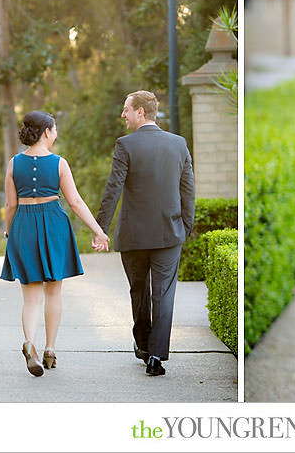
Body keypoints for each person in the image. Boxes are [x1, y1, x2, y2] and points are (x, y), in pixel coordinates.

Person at [0, 110, 110, 377]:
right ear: (46, 132)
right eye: (55, 129)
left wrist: (9, 233)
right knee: (53, 292)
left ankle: (30, 343)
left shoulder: (14, 163)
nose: (56, 134)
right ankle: (49, 350)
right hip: (53, 224)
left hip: (24, 225)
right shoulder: (59, 163)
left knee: (30, 295)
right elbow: (75, 202)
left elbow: (11, 204)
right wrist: (99, 231)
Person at [95, 91, 195, 377]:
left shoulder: (125, 145)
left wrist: (101, 228)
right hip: (169, 233)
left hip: (134, 236)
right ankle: (155, 357)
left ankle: (143, 346)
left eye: (126, 109)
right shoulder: (178, 144)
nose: (123, 115)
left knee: (138, 292)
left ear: (140, 112)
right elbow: (188, 190)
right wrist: (185, 227)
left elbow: (113, 189)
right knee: (162, 294)